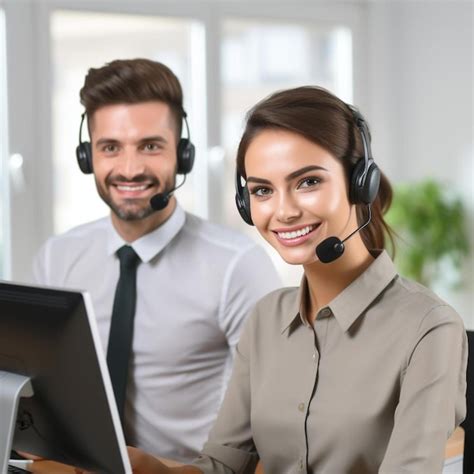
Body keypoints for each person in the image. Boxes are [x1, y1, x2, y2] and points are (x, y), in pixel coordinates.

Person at [125, 86, 468, 473]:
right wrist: (144, 466)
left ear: (360, 182)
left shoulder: (428, 327)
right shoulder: (266, 319)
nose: (284, 211)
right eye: (262, 190)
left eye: (308, 182)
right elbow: (222, 466)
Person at [32, 58, 281, 463]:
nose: (129, 169)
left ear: (182, 155)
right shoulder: (57, 258)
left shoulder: (237, 266)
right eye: (110, 148)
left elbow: (277, 422)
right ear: (86, 156)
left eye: (150, 146)